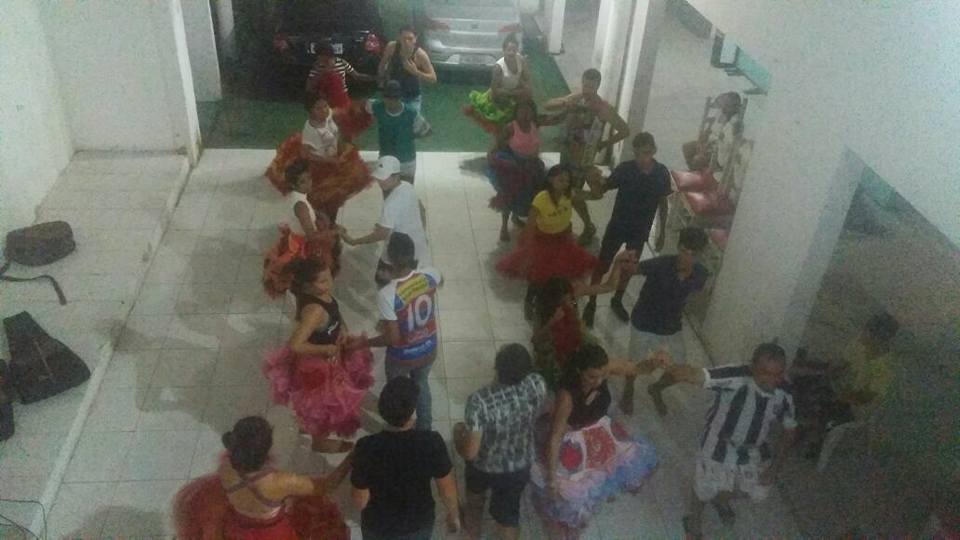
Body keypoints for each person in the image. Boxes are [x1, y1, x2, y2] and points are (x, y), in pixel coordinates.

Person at [531, 343, 664, 538]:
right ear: (579, 370)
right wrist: (551, 478)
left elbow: (636, 368)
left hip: (599, 429)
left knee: (627, 460)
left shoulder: (602, 369)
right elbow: (555, 436)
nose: (599, 381)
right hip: (574, 439)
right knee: (571, 495)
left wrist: (654, 363)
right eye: (592, 376)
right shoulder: (567, 394)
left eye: (602, 375)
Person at [664, 343, 797, 538]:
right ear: (752, 366)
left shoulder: (784, 391)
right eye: (766, 373)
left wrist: (774, 468)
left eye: (778, 374)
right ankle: (693, 523)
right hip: (717, 443)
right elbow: (695, 374)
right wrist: (670, 365)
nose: (773, 380)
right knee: (703, 489)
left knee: (758, 492)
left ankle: (719, 498)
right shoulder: (735, 376)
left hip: (752, 450)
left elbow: (790, 431)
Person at [173, 416, 351, 539]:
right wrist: (352, 458)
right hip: (272, 534)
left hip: (238, 529)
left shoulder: (226, 468)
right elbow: (327, 486)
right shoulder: (277, 482)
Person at [262, 258, 374, 453]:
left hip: (329, 357)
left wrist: (343, 329)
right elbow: (295, 345)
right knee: (320, 406)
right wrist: (325, 350)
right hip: (316, 366)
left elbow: (335, 313)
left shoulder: (322, 294)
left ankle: (309, 425)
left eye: (330, 277)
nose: (329, 283)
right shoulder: (314, 310)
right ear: (308, 286)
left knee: (323, 402)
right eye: (323, 281)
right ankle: (319, 442)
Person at [453, 344, 547, 540]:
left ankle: (473, 535)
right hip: (518, 464)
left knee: (475, 504)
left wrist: (458, 436)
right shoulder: (537, 384)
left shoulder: (480, 401)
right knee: (508, 517)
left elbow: (470, 452)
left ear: (496, 368)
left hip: (484, 465)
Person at [350, 232, 442, 431]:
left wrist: (364, 342)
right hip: (429, 347)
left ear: (390, 259)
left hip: (403, 357)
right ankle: (425, 429)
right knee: (421, 384)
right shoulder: (430, 275)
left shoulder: (387, 294)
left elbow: (393, 338)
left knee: (399, 397)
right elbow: (440, 281)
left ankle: (400, 430)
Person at [351, 377, 461, 539]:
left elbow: (360, 500)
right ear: (413, 413)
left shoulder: (366, 446)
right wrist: (453, 515)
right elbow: (447, 491)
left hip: (378, 526)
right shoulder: (431, 442)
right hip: (418, 522)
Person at [582, 132, 673, 326]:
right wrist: (593, 178)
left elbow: (663, 202)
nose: (644, 158)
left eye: (648, 153)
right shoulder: (625, 169)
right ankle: (591, 302)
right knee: (602, 264)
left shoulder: (661, 173)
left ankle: (617, 299)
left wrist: (662, 231)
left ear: (654, 150)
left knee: (629, 267)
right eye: (640, 154)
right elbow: (604, 188)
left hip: (640, 229)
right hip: (618, 225)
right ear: (635, 152)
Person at [620, 227, 710, 416]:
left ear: (700, 254)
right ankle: (628, 390)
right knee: (635, 363)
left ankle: (656, 388)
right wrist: (625, 261)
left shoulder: (701, 274)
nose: (687, 258)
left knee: (680, 370)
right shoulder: (661, 264)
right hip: (644, 323)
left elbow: (697, 293)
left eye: (693, 254)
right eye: (684, 251)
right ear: (678, 247)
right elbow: (633, 269)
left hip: (671, 327)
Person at [496, 164, 599, 321]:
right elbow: (530, 225)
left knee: (563, 273)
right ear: (551, 179)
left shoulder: (570, 194)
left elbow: (596, 195)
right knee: (539, 276)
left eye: (567, 181)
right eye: (561, 180)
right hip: (543, 241)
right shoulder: (541, 199)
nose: (565, 184)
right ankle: (529, 301)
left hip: (563, 239)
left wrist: (594, 180)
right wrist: (528, 251)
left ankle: (561, 303)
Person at [790, 312, 899, 457]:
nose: (862, 333)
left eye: (867, 331)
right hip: (839, 390)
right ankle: (802, 427)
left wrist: (837, 396)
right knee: (802, 384)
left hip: (855, 406)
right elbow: (839, 366)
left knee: (822, 403)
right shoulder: (859, 345)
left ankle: (815, 438)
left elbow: (865, 398)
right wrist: (824, 376)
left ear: (878, 338)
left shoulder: (885, 367)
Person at [544, 68, 630, 245]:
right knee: (566, 193)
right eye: (585, 85)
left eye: (591, 87)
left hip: (583, 160)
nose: (587, 90)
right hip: (566, 154)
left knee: (572, 194)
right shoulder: (576, 98)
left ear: (598, 86)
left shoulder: (604, 108)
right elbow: (548, 105)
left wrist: (604, 144)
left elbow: (624, 130)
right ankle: (576, 225)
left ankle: (584, 226)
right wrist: (566, 103)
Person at [531, 250, 637, 389]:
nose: (570, 303)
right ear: (553, 301)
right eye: (564, 301)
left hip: (575, 336)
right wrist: (552, 321)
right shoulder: (543, 311)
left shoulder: (575, 291)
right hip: (553, 349)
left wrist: (617, 263)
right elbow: (535, 340)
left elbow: (609, 286)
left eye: (571, 299)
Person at [264, 92, 370, 223]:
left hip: (333, 158)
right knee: (326, 199)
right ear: (310, 111)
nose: (324, 110)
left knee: (336, 197)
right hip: (321, 167)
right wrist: (330, 160)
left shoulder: (327, 114)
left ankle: (329, 222)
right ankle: (323, 224)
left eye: (325, 106)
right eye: (318, 108)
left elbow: (338, 113)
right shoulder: (311, 131)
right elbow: (305, 154)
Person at [338, 156, 430, 287]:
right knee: (411, 282)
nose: (380, 181)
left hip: (398, 252)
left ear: (396, 176)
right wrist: (422, 233)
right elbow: (421, 210)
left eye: (384, 178)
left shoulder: (390, 204)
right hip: (418, 247)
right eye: (379, 177)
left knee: (383, 280)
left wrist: (354, 241)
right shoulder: (408, 187)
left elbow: (381, 234)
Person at [486, 99, 564, 242]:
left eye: (528, 110)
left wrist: (569, 108)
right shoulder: (511, 127)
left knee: (532, 195)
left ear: (533, 112)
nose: (525, 114)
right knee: (509, 195)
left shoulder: (535, 124)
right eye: (522, 110)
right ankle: (504, 227)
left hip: (533, 166)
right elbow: (497, 145)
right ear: (516, 112)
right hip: (514, 167)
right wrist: (493, 157)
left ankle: (517, 217)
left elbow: (555, 119)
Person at [262, 161, 341, 297]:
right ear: (294, 185)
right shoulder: (300, 205)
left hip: (296, 237)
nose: (309, 183)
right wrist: (334, 232)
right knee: (312, 272)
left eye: (309, 178)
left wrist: (317, 214)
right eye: (303, 181)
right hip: (304, 244)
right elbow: (311, 236)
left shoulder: (295, 196)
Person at [463, 34, 532, 134]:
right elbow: (495, 91)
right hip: (499, 99)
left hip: (514, 95)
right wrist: (515, 93)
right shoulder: (498, 67)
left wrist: (525, 81)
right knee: (499, 128)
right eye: (509, 50)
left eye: (514, 50)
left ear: (517, 50)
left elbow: (526, 77)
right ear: (503, 50)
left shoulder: (520, 60)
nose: (512, 53)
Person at [365, 80, 432, 182]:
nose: (391, 101)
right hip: (386, 159)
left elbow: (427, 131)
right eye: (387, 97)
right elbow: (362, 106)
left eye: (394, 98)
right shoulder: (377, 106)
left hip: (406, 162)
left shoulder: (411, 113)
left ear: (400, 97)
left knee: (406, 189)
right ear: (383, 97)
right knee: (387, 190)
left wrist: (408, 137)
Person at [305, 44, 375, 140]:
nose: (319, 58)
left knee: (346, 127)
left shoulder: (341, 62)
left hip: (343, 100)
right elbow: (309, 86)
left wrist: (373, 78)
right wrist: (323, 73)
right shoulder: (317, 66)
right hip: (327, 102)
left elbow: (356, 75)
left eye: (321, 55)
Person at [377, 26, 437, 114]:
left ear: (415, 39)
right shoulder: (392, 47)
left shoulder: (420, 55)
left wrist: (415, 72)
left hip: (412, 96)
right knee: (390, 118)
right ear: (398, 37)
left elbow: (433, 78)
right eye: (403, 38)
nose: (406, 42)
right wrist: (382, 81)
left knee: (412, 119)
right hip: (393, 93)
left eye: (410, 38)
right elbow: (382, 64)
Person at [682, 91, 743, 171]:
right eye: (723, 105)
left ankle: (696, 171)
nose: (723, 108)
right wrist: (703, 139)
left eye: (726, 105)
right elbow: (711, 128)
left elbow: (725, 143)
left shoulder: (734, 122)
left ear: (733, 107)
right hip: (709, 145)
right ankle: (695, 170)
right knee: (687, 147)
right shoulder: (722, 113)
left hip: (718, 152)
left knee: (697, 159)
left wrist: (707, 147)